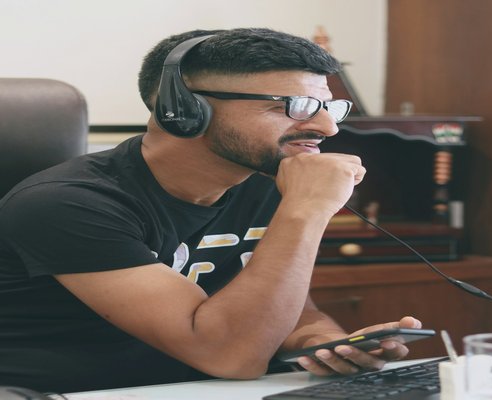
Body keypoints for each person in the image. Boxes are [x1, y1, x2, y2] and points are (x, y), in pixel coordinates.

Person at [0, 28, 422, 393]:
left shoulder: (268, 184)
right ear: (182, 110)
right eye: (293, 105)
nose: (328, 128)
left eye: (327, 106)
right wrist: (306, 211)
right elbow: (230, 356)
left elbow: (293, 311)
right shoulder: (66, 205)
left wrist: (324, 341)